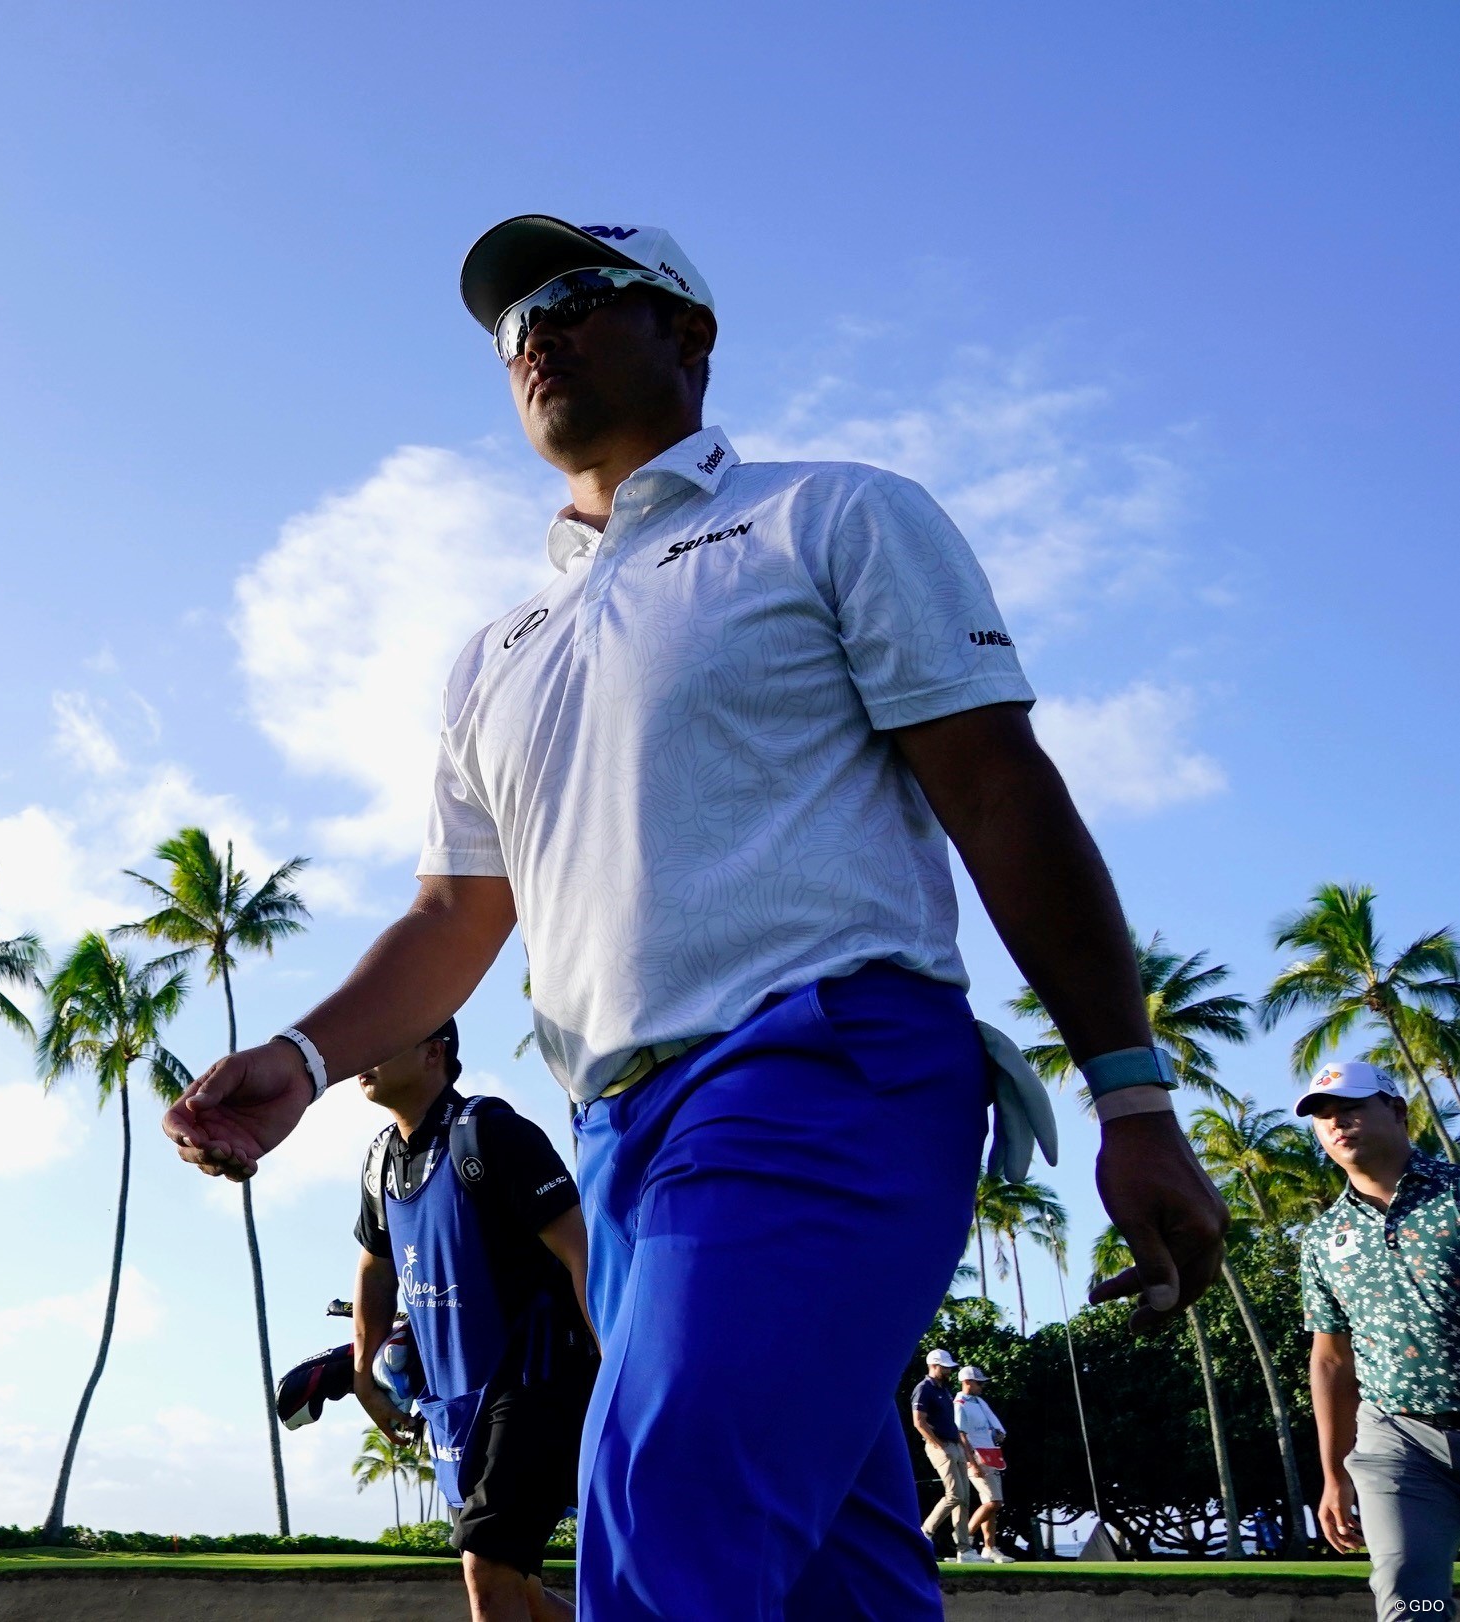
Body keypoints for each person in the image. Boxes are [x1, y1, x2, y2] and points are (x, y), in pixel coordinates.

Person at [163, 212, 1227, 1619]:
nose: (535, 329)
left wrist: (1134, 1096)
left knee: (664, 1505)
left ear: (690, 331)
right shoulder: (492, 656)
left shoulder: (831, 514)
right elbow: (453, 913)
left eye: (580, 292)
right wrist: (300, 1060)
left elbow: (1000, 792)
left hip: (824, 1068)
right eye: (509, 322)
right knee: (831, 1577)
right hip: (623, 1139)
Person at [350, 1019, 595, 1622]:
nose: (364, 1053)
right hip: (454, 1403)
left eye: (384, 1038)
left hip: (537, 1382)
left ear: (435, 1052)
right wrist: (362, 1370)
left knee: (486, 1564)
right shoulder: (381, 1159)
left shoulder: (491, 1134)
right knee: (521, 1590)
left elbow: (581, 1251)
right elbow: (375, 1270)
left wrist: (620, 1370)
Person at [1300, 1060, 1460, 1620]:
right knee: (1409, 1595)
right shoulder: (1323, 1237)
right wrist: (1334, 1472)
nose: (1336, 1123)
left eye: (1351, 1108)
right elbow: (1331, 1360)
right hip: (1397, 1439)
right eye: (1323, 1116)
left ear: (1396, 1111)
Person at [910, 1350, 975, 1557]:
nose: (948, 1370)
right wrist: (938, 1445)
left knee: (964, 1498)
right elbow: (918, 1422)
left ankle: (964, 1549)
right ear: (934, 1366)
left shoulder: (944, 1390)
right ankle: (925, 1531)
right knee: (954, 1494)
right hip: (940, 1446)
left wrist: (963, 1448)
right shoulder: (924, 1389)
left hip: (955, 1445)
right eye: (945, 1367)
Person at [954, 1368, 1013, 1562]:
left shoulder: (979, 1402)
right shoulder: (960, 1404)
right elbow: (961, 1435)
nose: (982, 1386)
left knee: (991, 1504)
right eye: (979, 1383)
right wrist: (972, 1463)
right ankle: (964, 1536)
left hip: (991, 1454)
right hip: (977, 1457)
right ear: (967, 1382)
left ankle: (989, 1547)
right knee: (994, 1502)